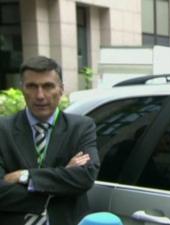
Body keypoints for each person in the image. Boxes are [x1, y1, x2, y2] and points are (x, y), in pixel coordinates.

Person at [0, 56, 100, 225]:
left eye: (48, 86)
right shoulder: (3, 130)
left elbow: (85, 176)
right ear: (22, 89)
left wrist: (25, 176)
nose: (40, 95)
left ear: (60, 89)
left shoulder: (81, 127)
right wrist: (60, 183)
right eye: (32, 86)